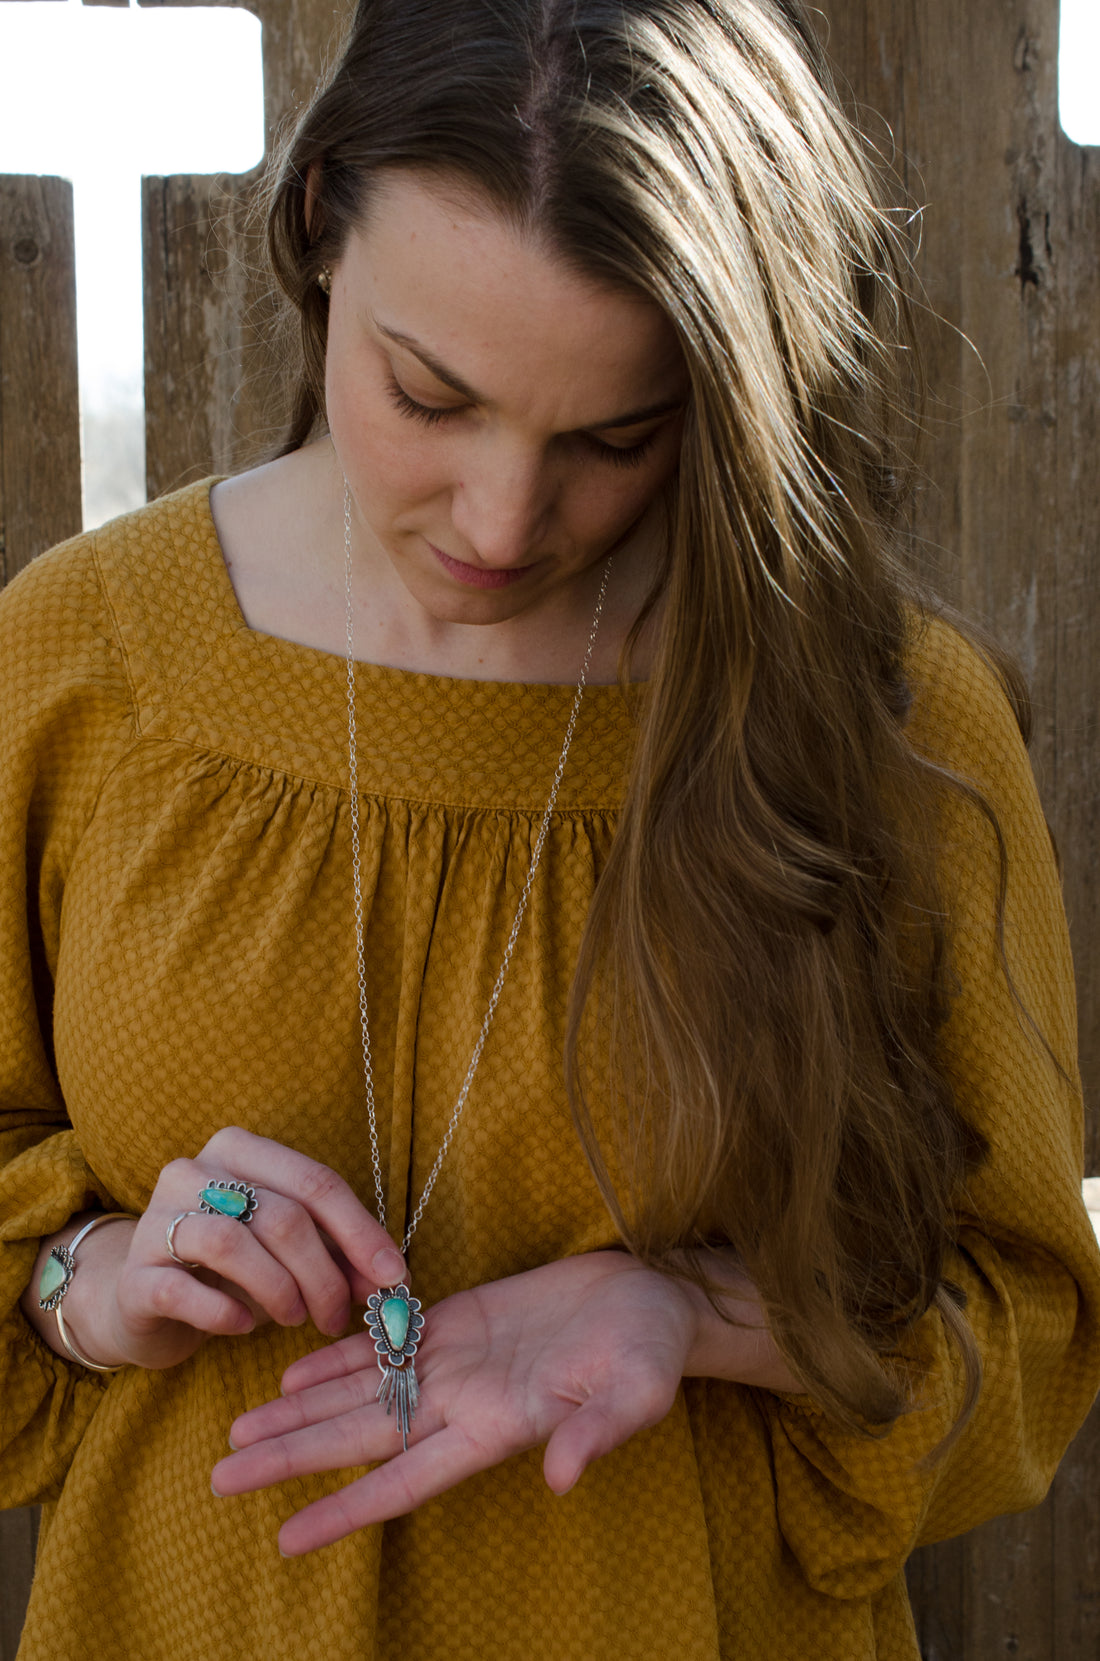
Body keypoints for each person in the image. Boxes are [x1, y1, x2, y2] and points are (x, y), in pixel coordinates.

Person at [2, 1, 1098, 1656]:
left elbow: (1026, 1321)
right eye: (429, 398)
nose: (508, 521)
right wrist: (84, 1283)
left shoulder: (881, 722)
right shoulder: (82, 660)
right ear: (318, 228)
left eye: (614, 437)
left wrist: (699, 1312)